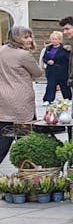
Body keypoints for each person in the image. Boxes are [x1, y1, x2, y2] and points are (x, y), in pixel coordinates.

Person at [0, 26, 44, 163]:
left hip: (3, 99)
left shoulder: (1, 50)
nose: (30, 40)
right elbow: (38, 72)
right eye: (26, 37)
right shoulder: (23, 55)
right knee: (25, 140)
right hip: (21, 100)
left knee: (3, 138)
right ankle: (26, 171)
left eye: (30, 36)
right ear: (16, 38)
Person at [41, 30, 71, 104]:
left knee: (64, 85)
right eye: (52, 39)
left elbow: (68, 59)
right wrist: (47, 61)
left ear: (60, 40)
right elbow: (44, 58)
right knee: (50, 85)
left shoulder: (65, 49)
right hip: (51, 70)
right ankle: (48, 99)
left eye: (55, 39)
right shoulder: (48, 48)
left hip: (62, 70)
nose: (54, 41)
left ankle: (68, 97)